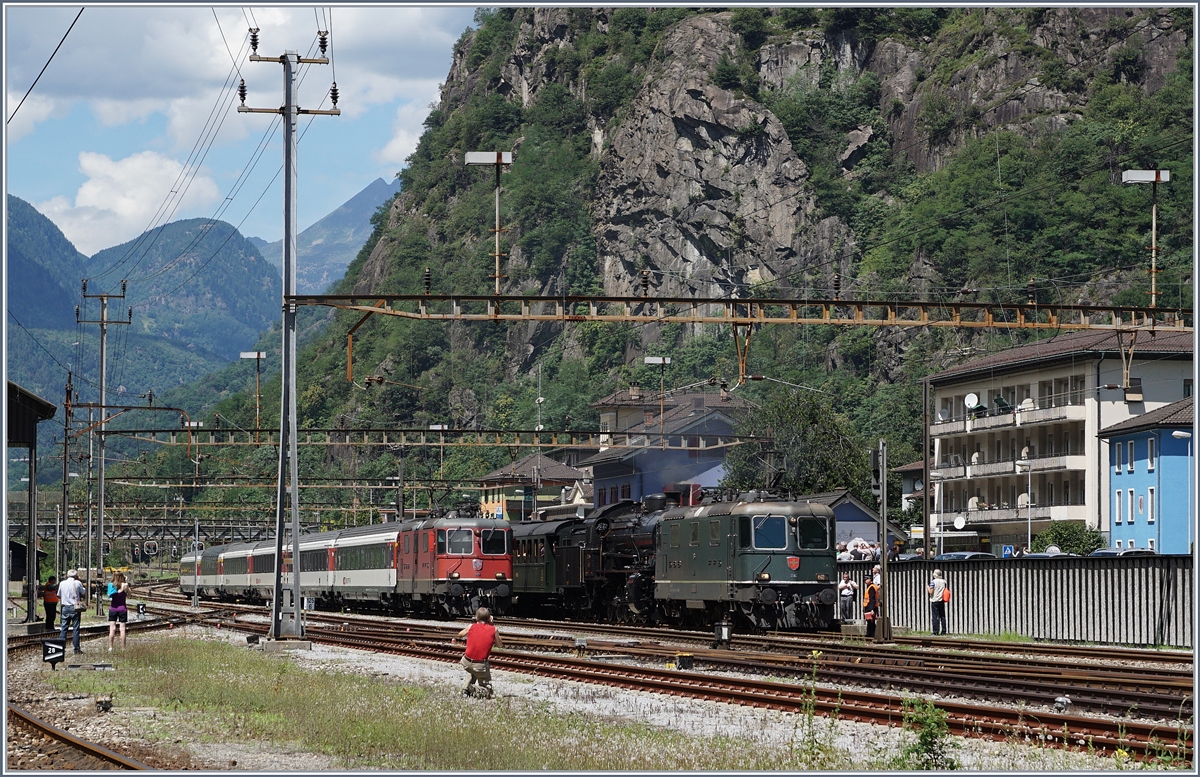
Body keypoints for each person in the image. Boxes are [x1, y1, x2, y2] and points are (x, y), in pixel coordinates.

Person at [456, 607, 503, 698]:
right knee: (487, 690)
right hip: (480, 666)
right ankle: (479, 690)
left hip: (466, 662)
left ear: (476, 618)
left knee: (473, 670)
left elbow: (460, 635)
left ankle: (465, 690)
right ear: (489, 618)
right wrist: (492, 624)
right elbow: (499, 644)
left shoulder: (471, 626)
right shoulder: (493, 629)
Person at [57, 569, 88, 654]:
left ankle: (60, 649)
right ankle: (76, 649)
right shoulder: (77, 583)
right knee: (76, 629)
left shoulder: (62, 583)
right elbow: (83, 592)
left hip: (65, 608)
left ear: (67, 575)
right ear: (76, 576)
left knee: (63, 628)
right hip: (75, 608)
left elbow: (58, 595)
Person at [107, 572, 130, 652]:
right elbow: (129, 594)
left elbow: (109, 595)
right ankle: (123, 648)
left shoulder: (111, 585)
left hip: (113, 608)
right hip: (122, 609)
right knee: (122, 629)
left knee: (112, 629)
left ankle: (110, 647)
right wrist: (126, 583)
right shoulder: (125, 585)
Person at [928, 569, 948, 636]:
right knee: (942, 616)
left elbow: (931, 592)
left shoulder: (933, 582)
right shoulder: (944, 582)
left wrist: (927, 587)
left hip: (935, 600)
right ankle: (944, 631)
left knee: (935, 616)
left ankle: (935, 631)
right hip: (941, 600)